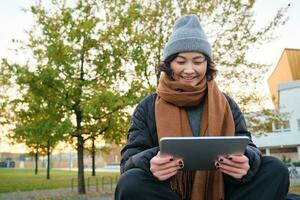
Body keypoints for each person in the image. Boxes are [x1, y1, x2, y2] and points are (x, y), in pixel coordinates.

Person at [115, 14, 290, 200]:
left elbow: (248, 145)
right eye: (181, 62)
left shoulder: (226, 103)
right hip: (167, 192)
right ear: (168, 65)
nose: (190, 70)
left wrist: (246, 161)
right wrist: (153, 160)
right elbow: (128, 161)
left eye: (198, 61)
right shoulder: (147, 106)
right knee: (130, 182)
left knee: (275, 169)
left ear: (207, 64)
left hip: (224, 189)